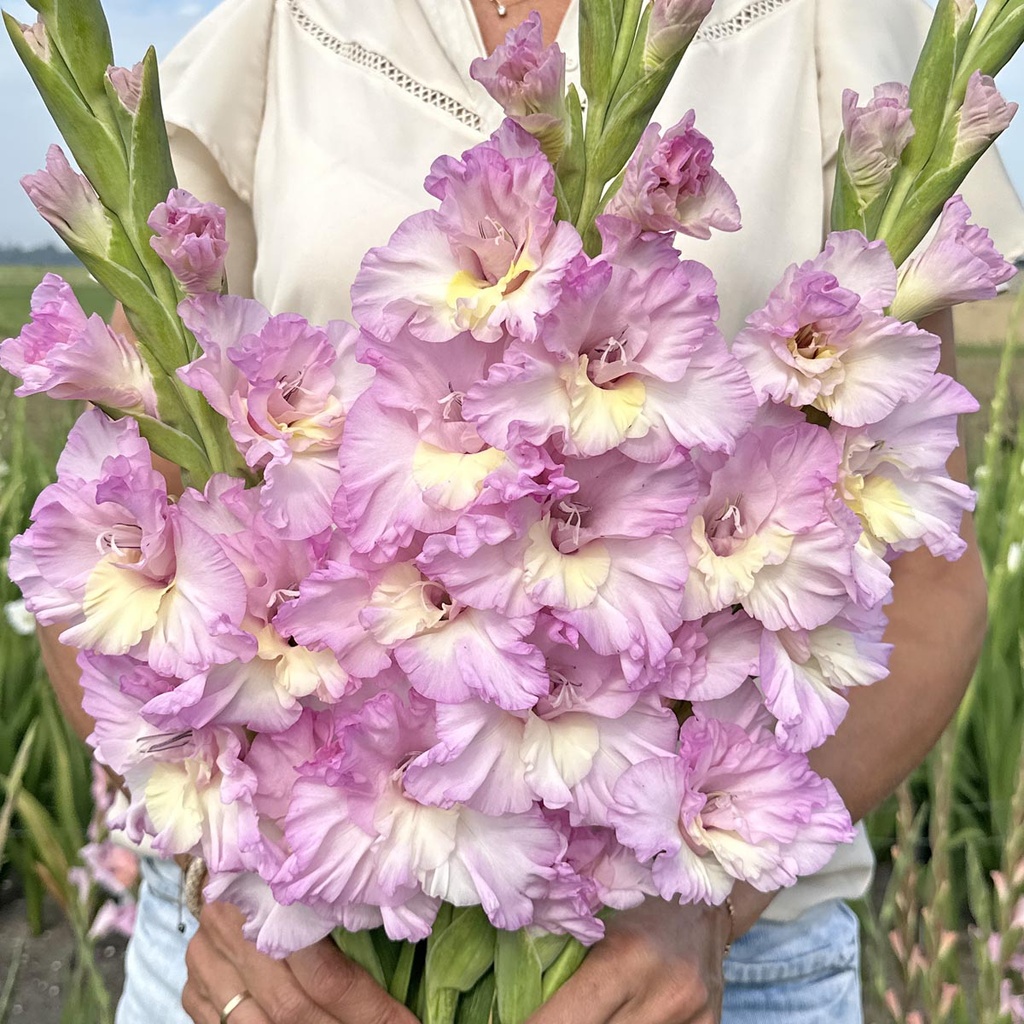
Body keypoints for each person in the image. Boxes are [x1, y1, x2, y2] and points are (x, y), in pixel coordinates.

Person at [36, 0, 1024, 1021]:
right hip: (276, 958)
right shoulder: (280, 23)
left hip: (705, 971)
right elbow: (112, 550)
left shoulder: (828, 23)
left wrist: (713, 896)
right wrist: (227, 874)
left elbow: (926, 583)